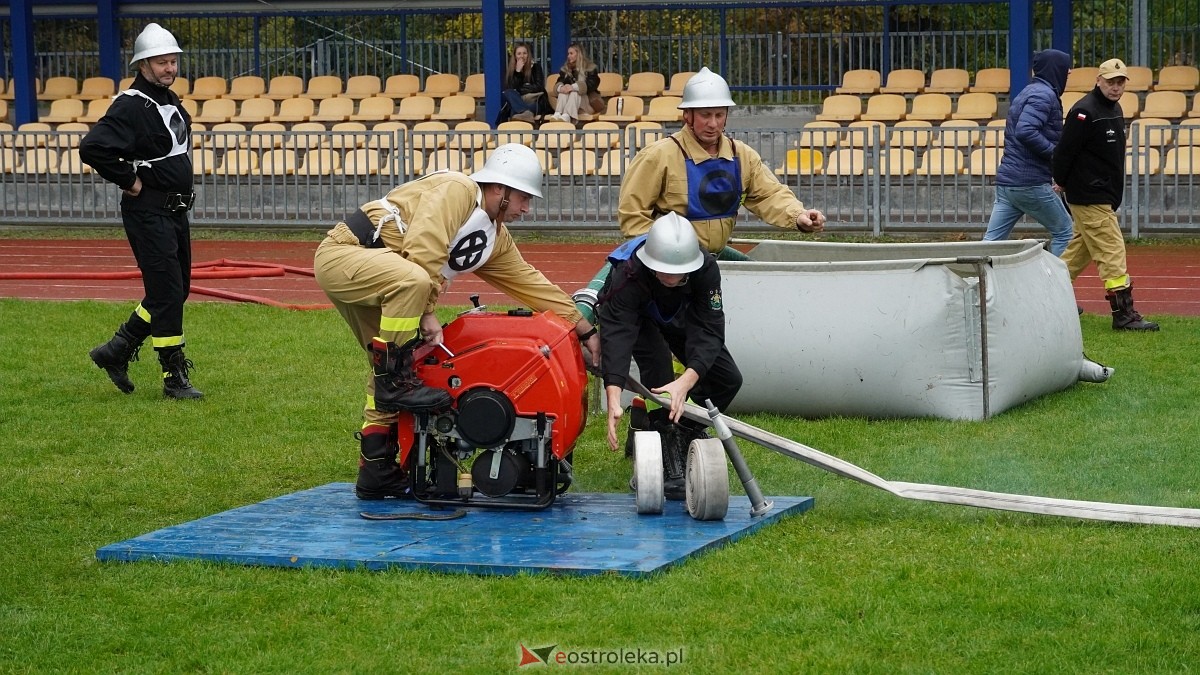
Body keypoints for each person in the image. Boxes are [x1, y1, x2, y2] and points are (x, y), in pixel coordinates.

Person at [312, 143, 602, 500]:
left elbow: (530, 282)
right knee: (409, 305)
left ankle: (376, 471)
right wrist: (428, 309)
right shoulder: (458, 189)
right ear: (499, 188)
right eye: (524, 198)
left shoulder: (494, 238)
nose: (527, 209)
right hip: (347, 253)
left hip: (388, 276)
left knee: (393, 365)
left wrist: (583, 328)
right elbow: (424, 246)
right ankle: (396, 387)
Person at [572, 66, 826, 323]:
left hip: (710, 267)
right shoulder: (658, 156)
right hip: (666, 271)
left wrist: (799, 216)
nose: (713, 123)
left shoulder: (743, 156)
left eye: (719, 114)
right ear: (688, 115)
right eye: (705, 115)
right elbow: (633, 217)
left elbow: (769, 194)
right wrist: (671, 256)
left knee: (709, 337)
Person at [79, 23, 202, 399]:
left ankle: (115, 350)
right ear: (143, 64)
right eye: (162, 62)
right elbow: (93, 148)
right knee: (166, 292)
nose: (170, 68)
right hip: (148, 211)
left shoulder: (168, 98)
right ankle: (173, 377)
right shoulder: (131, 104)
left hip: (174, 211)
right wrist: (129, 180)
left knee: (175, 290)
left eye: (173, 61)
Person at [597, 212, 741, 500]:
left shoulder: (706, 269)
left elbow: (710, 329)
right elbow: (618, 333)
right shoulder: (628, 272)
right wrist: (613, 395)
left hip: (679, 314)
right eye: (663, 270)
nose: (670, 277)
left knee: (728, 379)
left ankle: (683, 432)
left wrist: (687, 380)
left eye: (678, 272)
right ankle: (662, 442)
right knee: (659, 372)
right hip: (639, 318)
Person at [1052, 58, 1160, 331]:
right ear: (1098, 81)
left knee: (1076, 254)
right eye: (1111, 81)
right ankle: (1123, 315)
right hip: (1090, 194)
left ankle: (1041, 295)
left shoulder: (1114, 109)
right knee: (1112, 251)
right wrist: (1061, 182)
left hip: (1102, 193)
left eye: (1120, 81)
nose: (1116, 87)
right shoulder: (1084, 111)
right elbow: (1065, 151)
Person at [981, 49, 1074, 256]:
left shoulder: (1029, 91)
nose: (1069, 72)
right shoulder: (1045, 95)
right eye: (1065, 68)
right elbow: (1026, 130)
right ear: (1054, 69)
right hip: (1029, 182)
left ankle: (974, 285)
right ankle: (1047, 286)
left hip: (1008, 183)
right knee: (1066, 233)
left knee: (990, 244)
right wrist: (1055, 154)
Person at [548, 42, 602, 123]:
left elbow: (592, 84)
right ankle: (558, 113)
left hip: (586, 105)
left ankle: (567, 115)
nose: (568, 56)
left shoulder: (591, 68)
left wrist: (574, 87)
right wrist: (561, 88)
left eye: (571, 53)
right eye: (568, 53)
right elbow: (560, 81)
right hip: (570, 104)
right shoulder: (565, 69)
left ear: (579, 54)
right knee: (563, 91)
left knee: (574, 91)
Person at [498, 42, 550, 124]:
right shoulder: (512, 71)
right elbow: (511, 89)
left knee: (515, 112)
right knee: (508, 92)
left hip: (535, 102)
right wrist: (518, 71)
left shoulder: (536, 67)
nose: (522, 56)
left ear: (528, 55)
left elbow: (539, 86)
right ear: (515, 56)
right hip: (519, 101)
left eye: (524, 53)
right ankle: (526, 113)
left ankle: (524, 114)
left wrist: (520, 89)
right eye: (519, 54)